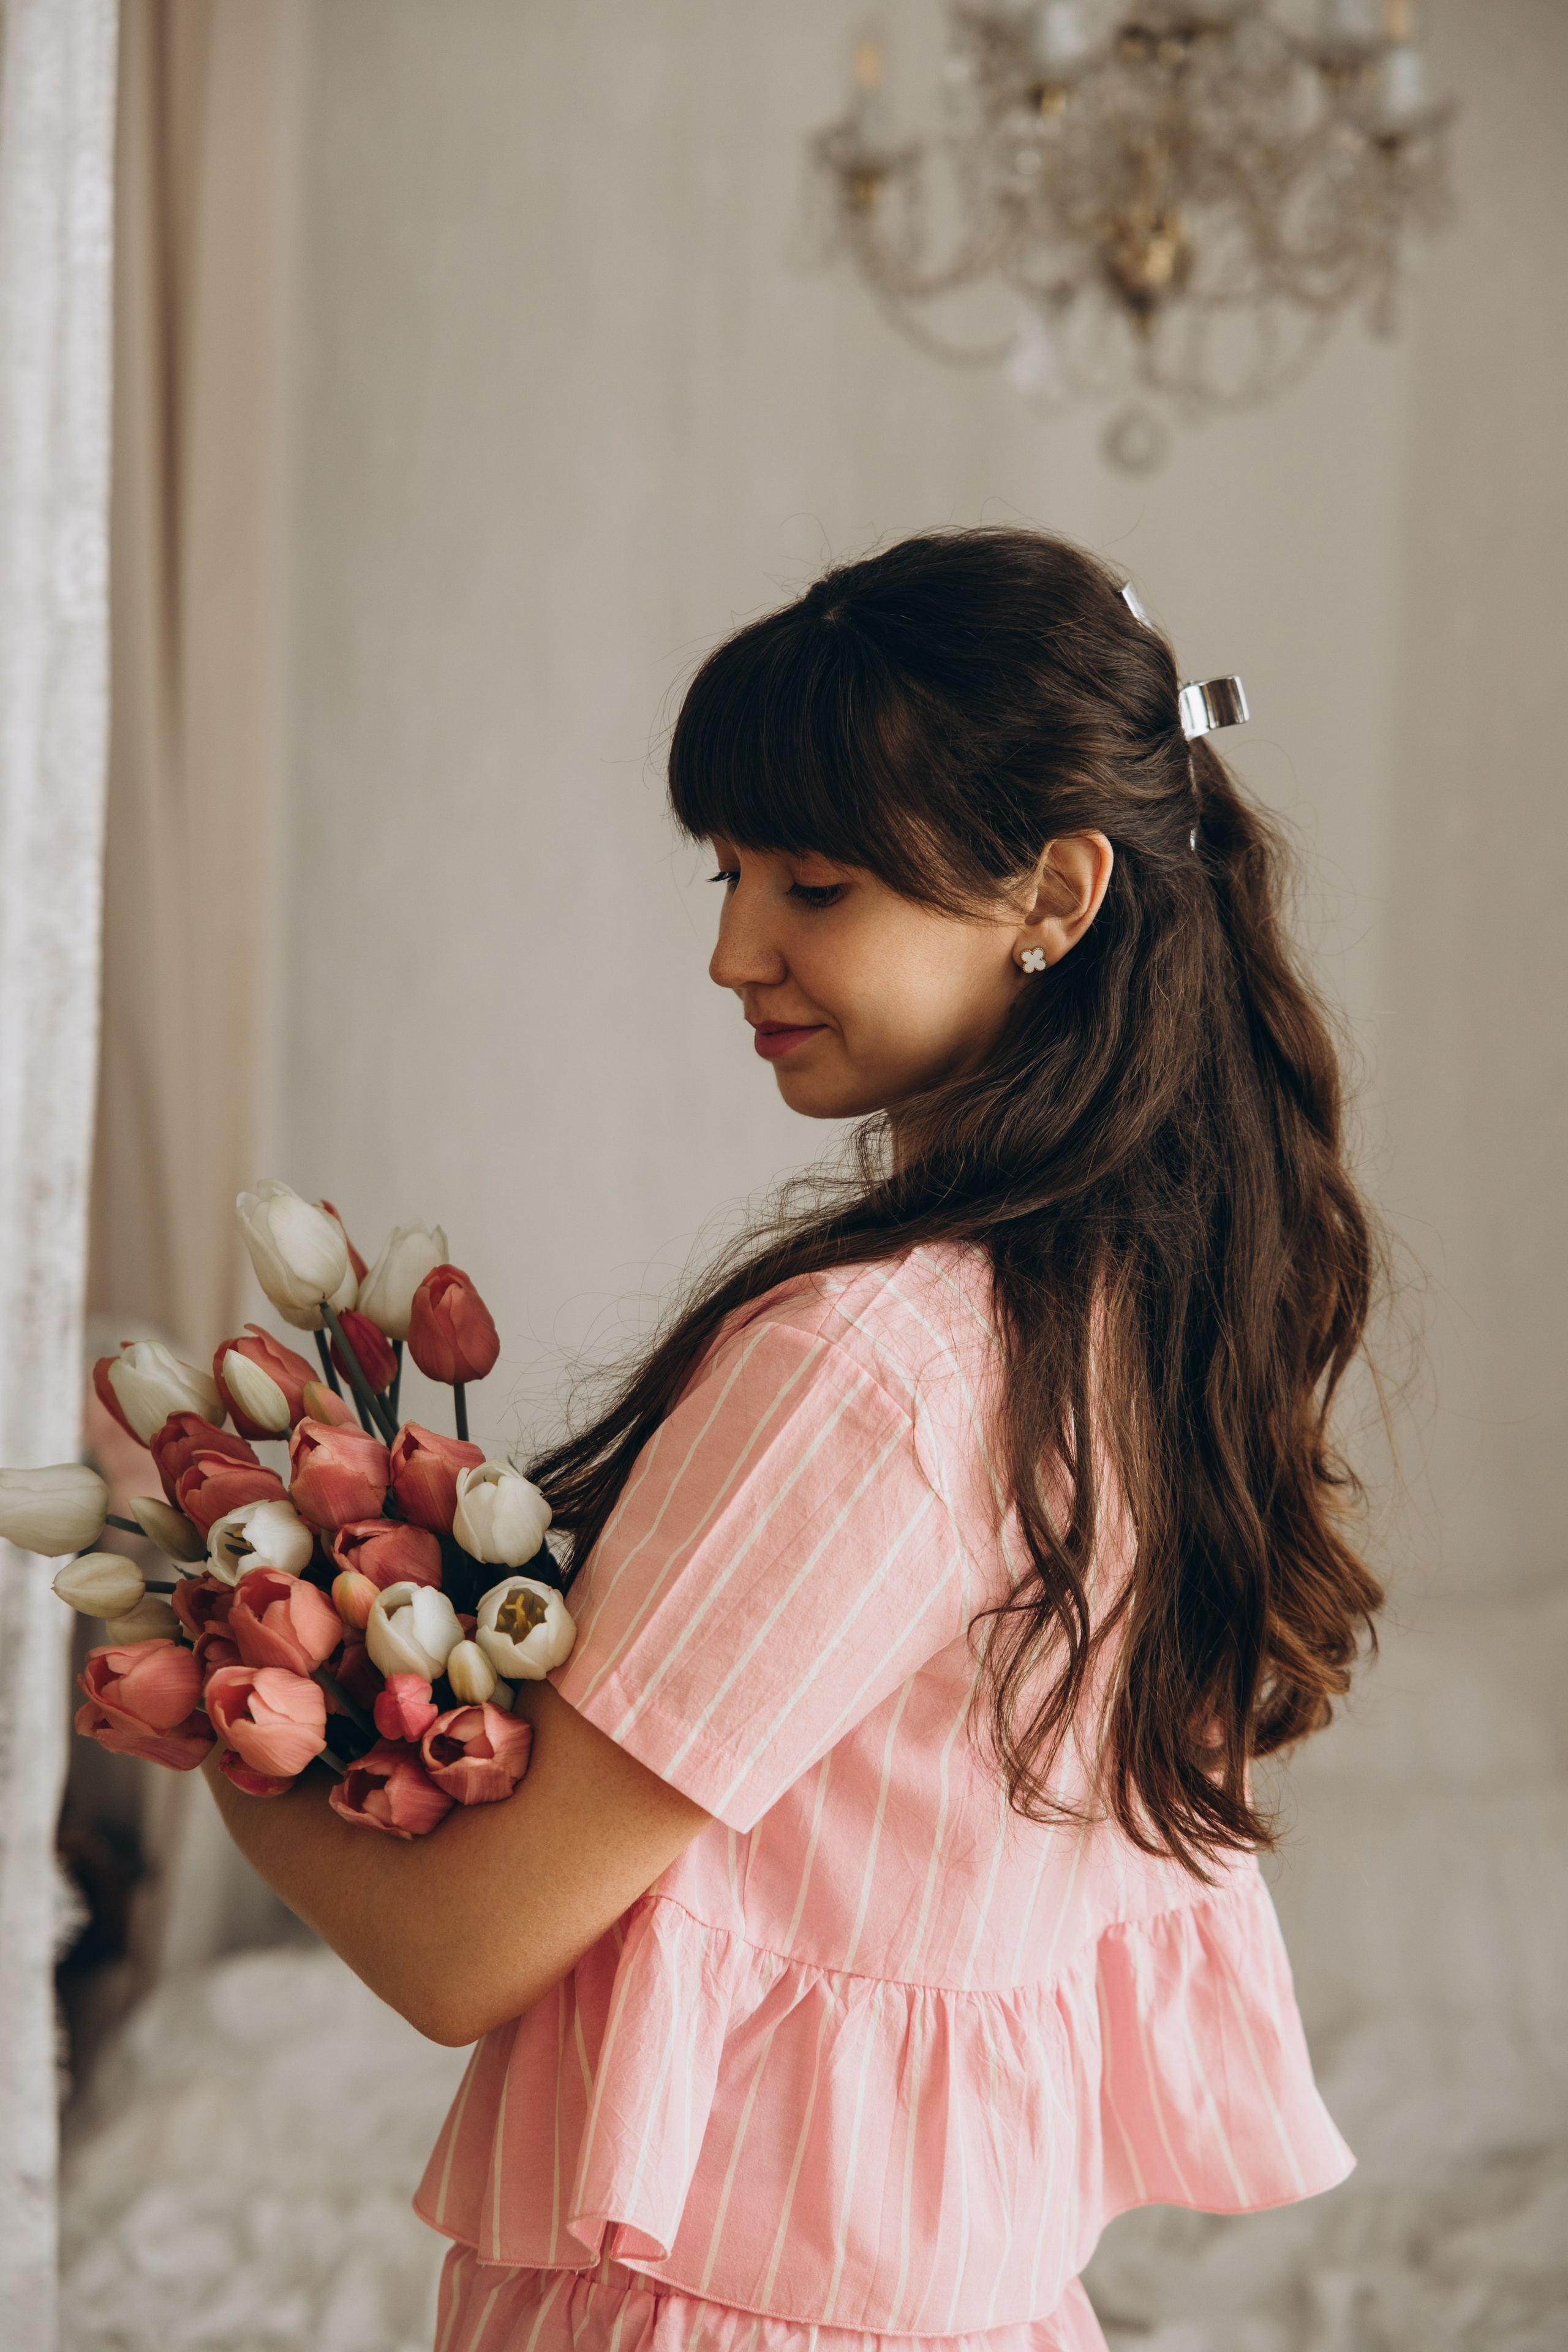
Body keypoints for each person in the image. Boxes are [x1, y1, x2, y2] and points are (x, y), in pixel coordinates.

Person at [208, 528, 1383, 2352]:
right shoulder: (1143, 1327)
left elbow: (461, 1949)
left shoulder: (878, 1369)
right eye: (729, 869)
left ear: (1056, 894)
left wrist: (196, 1692)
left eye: (815, 886)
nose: (730, 949)